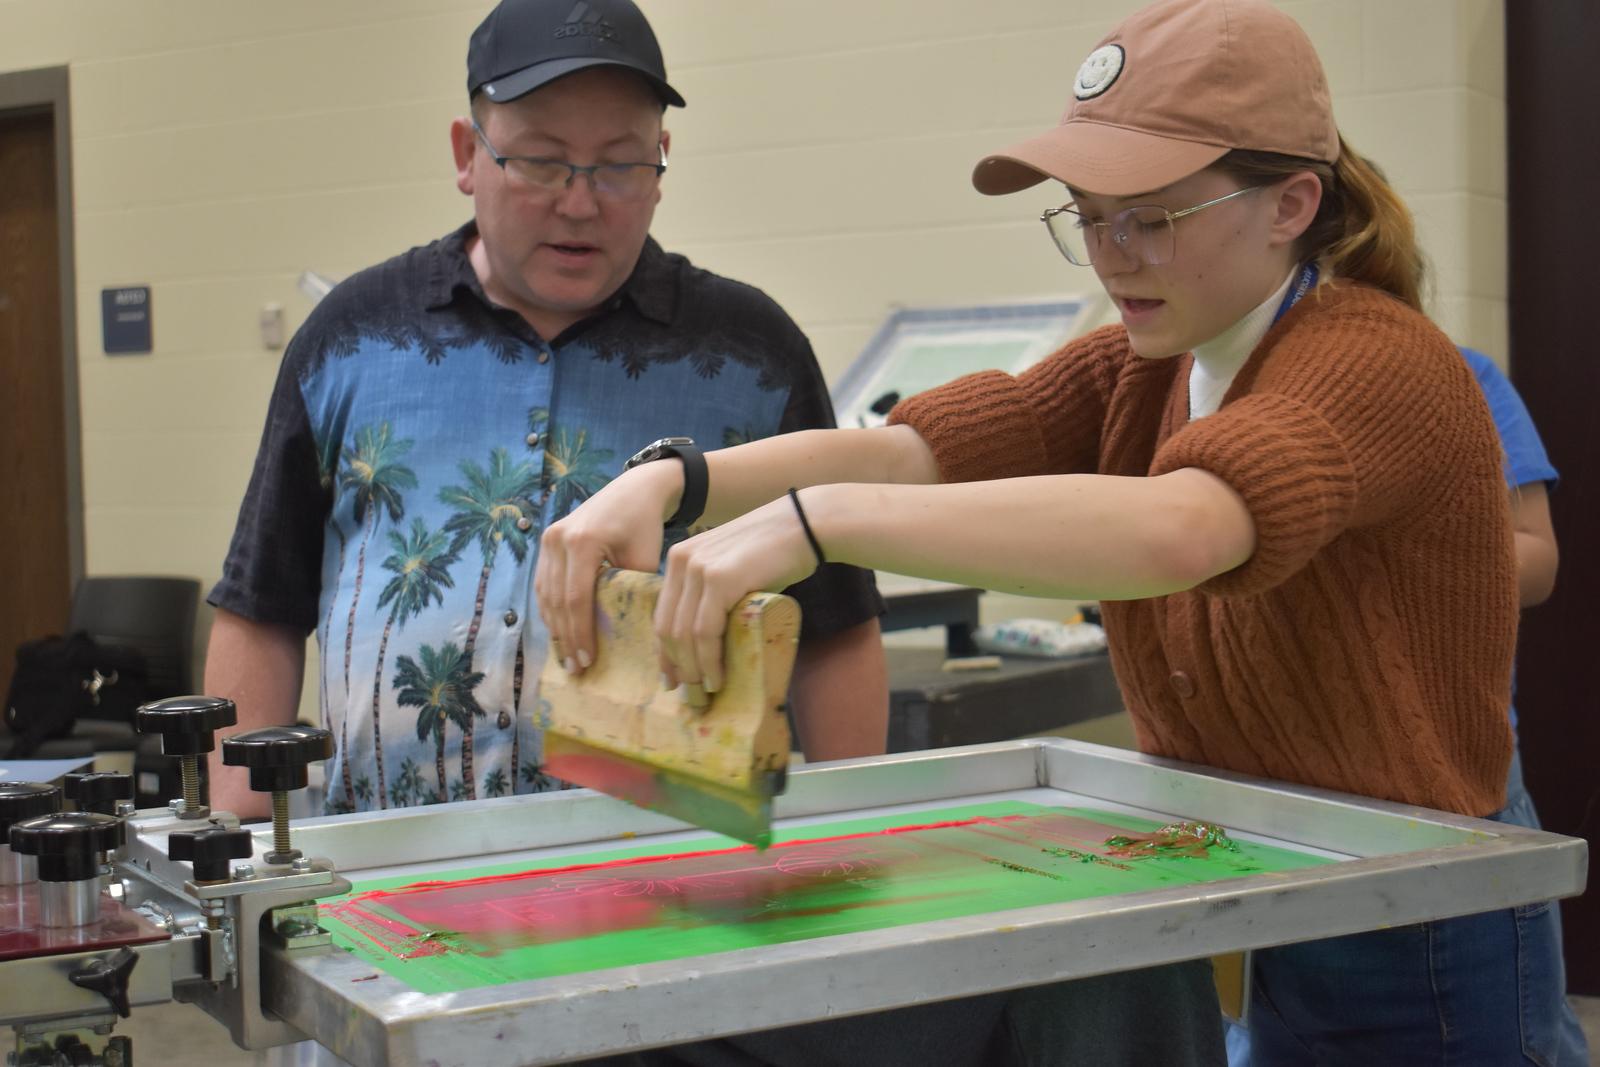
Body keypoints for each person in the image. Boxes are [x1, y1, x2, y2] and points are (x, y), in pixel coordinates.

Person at [535, 0, 1577, 1062]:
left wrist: (816, 526)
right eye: (1088, 215)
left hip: (1419, 911)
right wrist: (674, 481)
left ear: (1290, 203)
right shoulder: (1151, 361)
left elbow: (1186, 525)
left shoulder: (1372, 358)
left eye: (1152, 217)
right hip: (1267, 872)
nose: (1112, 254)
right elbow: (910, 448)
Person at [202, 0, 888, 823]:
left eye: (619, 165)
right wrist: (238, 843)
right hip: (389, 887)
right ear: (468, 153)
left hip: (681, 886)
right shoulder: (351, 340)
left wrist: (858, 832)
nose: (580, 202)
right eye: (542, 161)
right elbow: (263, 606)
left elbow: (836, 626)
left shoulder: (753, 356)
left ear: (662, 160)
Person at [1224, 346, 1586, 1065]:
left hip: (1440, 790)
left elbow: (1536, 558)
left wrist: (1399, 554)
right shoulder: (1219, 380)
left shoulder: (1455, 375)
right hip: (1260, 805)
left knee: (1502, 1036)